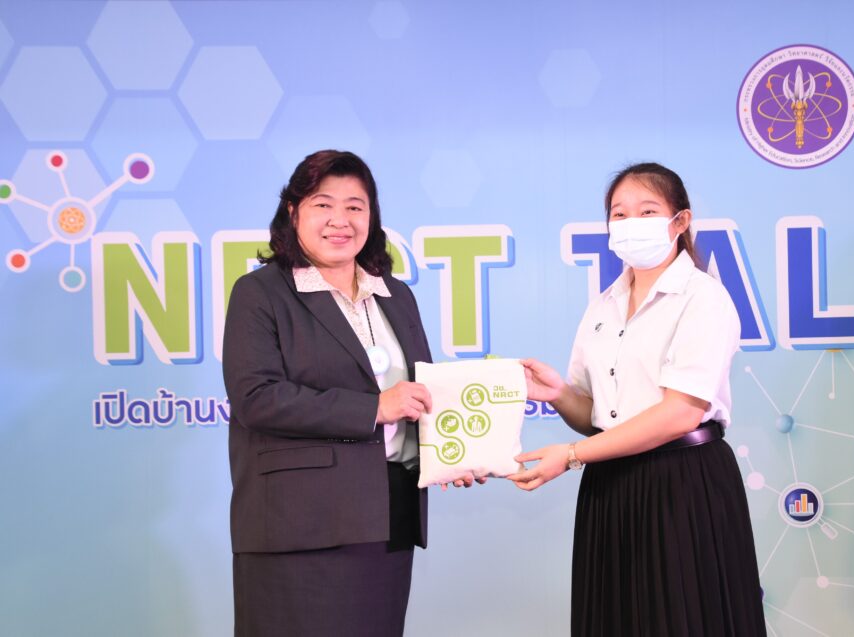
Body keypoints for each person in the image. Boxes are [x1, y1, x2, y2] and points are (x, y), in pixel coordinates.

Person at [223, 150, 476, 637]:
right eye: (323, 205)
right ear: (293, 211)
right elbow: (256, 397)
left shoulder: (395, 294)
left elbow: (419, 393)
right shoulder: (261, 293)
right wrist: (375, 408)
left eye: (355, 207)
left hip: (388, 517)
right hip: (301, 526)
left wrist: (451, 452)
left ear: (372, 216)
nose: (340, 220)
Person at [511, 162, 766, 636]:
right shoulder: (603, 304)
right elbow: (598, 417)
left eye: (647, 211)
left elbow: (680, 412)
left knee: (685, 619)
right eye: (619, 214)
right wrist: (559, 394)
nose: (631, 224)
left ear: (680, 221)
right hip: (611, 486)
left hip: (683, 484)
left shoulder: (703, 298)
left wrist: (571, 455)